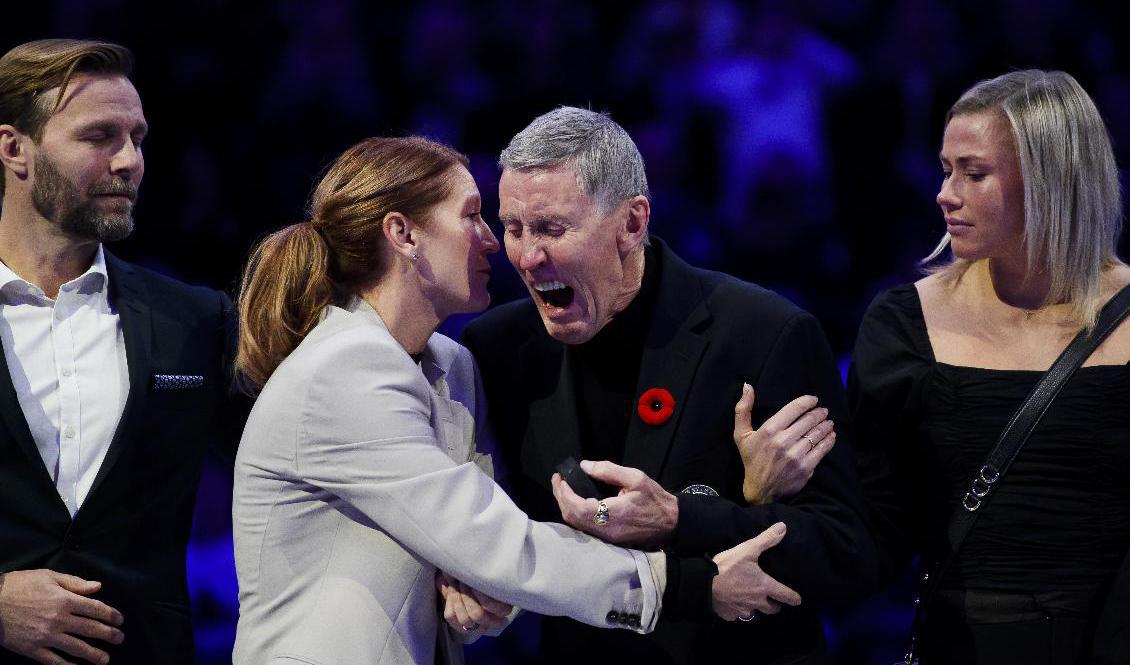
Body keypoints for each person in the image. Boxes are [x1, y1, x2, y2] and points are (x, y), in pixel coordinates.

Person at [231, 135, 800, 665]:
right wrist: (681, 583)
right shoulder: (344, 368)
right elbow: (496, 542)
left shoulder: (453, 366)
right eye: (473, 216)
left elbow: (496, 546)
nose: (493, 243)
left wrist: (482, 592)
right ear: (404, 235)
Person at [461, 106, 875, 665]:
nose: (529, 257)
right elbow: (491, 531)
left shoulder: (763, 334)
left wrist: (682, 519)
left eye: (553, 229)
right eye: (514, 229)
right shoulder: (497, 350)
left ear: (632, 223)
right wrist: (462, 577)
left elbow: (847, 553)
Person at [843, 70, 1130, 663]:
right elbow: (874, 533)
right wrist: (776, 494)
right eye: (946, 170)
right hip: (962, 647)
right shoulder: (903, 324)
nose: (945, 194)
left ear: (1051, 181)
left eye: (973, 174)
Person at [0, 40, 242, 665]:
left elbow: (309, 460)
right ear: (14, 149)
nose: (130, 160)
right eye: (100, 136)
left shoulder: (196, 320)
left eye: (137, 138)